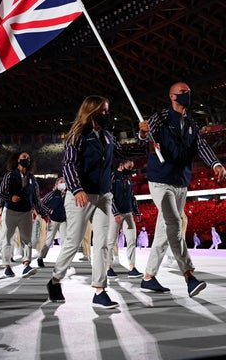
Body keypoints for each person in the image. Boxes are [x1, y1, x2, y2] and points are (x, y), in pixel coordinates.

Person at [46, 94, 147, 308]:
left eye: (107, 111)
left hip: (104, 196)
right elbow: (69, 165)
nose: (106, 114)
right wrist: (76, 189)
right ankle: (55, 279)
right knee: (73, 242)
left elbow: (124, 151)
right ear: (91, 111)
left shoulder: (108, 136)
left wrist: (143, 137)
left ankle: (100, 290)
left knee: (101, 244)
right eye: (102, 111)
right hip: (81, 196)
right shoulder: (77, 135)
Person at [138, 81, 226, 297]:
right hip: (160, 180)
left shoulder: (191, 123)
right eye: (183, 92)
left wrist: (215, 163)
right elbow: (144, 140)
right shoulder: (160, 118)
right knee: (175, 224)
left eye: (189, 92)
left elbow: (201, 145)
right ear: (172, 97)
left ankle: (148, 277)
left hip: (181, 182)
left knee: (164, 231)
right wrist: (143, 134)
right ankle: (189, 275)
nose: (187, 95)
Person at [0, 151, 41, 279]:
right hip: (10, 211)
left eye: (28, 157)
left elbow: (36, 198)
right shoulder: (10, 175)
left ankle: (26, 264)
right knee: (7, 238)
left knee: (27, 239)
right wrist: (10, 198)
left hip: (26, 212)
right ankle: (7, 266)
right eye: (23, 157)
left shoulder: (32, 178)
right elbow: (1, 192)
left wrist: (43, 212)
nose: (26, 159)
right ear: (17, 160)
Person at [106, 159, 143, 279]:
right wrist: (115, 212)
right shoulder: (112, 177)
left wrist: (137, 212)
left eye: (132, 167)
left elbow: (132, 197)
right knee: (111, 241)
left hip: (128, 213)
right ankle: (108, 267)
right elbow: (109, 196)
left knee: (132, 240)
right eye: (129, 167)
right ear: (121, 165)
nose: (131, 170)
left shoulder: (128, 179)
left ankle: (132, 267)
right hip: (115, 214)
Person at [36, 177, 67, 268]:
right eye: (61, 182)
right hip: (53, 220)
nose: (63, 183)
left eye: (64, 182)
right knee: (49, 241)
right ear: (56, 184)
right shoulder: (52, 194)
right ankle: (40, 257)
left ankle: (63, 261)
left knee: (66, 242)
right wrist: (49, 210)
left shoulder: (68, 195)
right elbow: (41, 203)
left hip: (64, 220)